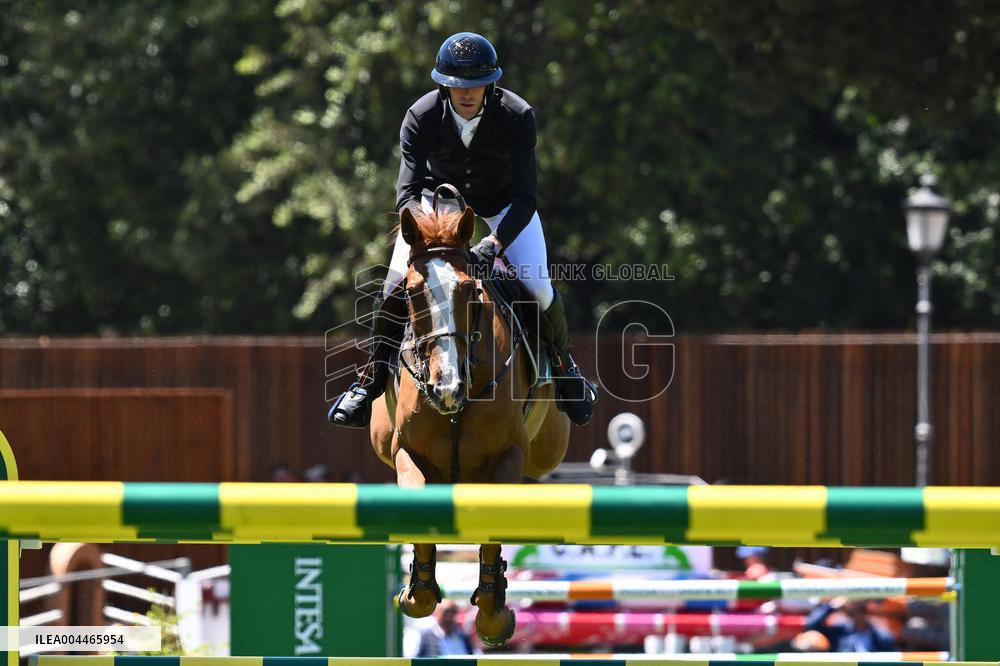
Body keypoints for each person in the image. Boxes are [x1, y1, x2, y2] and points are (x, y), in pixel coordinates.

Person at [328, 31, 597, 429]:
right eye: (457, 86)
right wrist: (423, 233)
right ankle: (369, 379)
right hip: (439, 208)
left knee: (537, 285)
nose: (466, 94)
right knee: (392, 285)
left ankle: (564, 366)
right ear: (444, 85)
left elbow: (526, 198)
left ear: (490, 84)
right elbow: (407, 193)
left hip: (505, 207)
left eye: (475, 86)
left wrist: (494, 243)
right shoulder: (420, 115)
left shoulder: (517, 115)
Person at [799, 598, 896, 652]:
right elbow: (811, 625)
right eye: (852, 613)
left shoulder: (884, 637)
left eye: (859, 611)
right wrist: (833, 606)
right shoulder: (839, 633)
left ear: (866, 613)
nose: (856, 616)